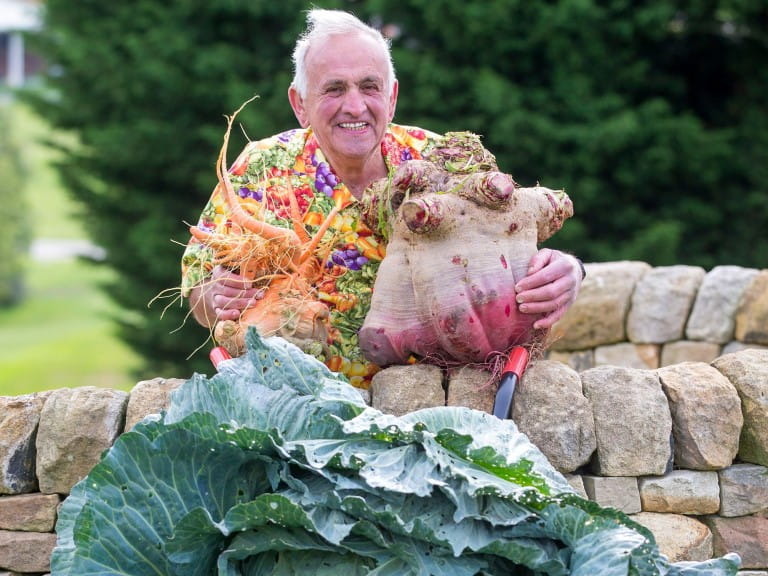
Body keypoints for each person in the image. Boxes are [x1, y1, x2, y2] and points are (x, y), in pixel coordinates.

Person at [181, 8, 584, 388]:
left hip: (432, 401)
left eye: (369, 87)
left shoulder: (444, 162)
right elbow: (200, 286)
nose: (354, 106)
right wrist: (215, 296)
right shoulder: (260, 169)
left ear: (391, 97)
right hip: (297, 411)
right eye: (334, 89)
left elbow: (511, 236)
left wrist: (568, 270)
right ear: (299, 105)